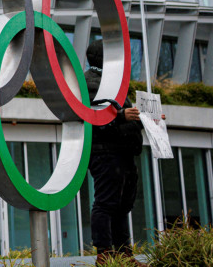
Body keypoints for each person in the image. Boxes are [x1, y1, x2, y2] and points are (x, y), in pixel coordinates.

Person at [86, 43, 158, 267]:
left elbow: (119, 115)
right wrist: (120, 115)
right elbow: (91, 114)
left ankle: (123, 252)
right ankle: (105, 253)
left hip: (122, 152)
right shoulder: (89, 82)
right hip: (105, 153)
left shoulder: (113, 83)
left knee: (122, 204)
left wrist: (148, 119)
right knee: (106, 203)